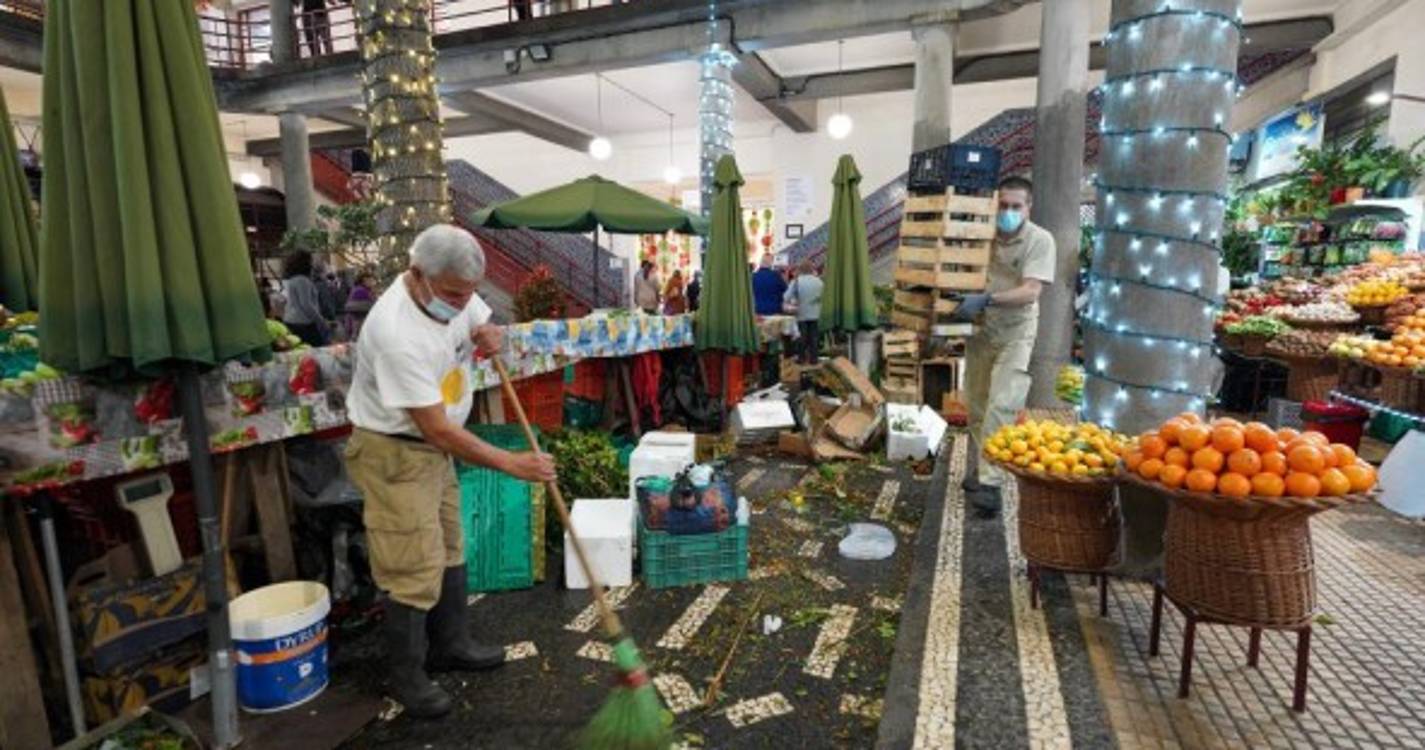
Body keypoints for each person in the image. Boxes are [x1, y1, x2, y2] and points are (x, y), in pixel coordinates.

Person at [344, 225, 557, 718]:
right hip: (397, 453)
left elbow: (483, 321)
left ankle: (450, 643)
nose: (463, 305)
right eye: (454, 295)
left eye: (470, 294)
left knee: (449, 543)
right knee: (411, 565)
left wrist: (492, 332)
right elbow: (436, 429)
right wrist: (510, 463)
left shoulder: (458, 293)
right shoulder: (396, 333)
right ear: (417, 276)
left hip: (431, 451)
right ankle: (406, 675)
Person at [953, 176, 1056, 518]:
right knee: (977, 403)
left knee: (1003, 402)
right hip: (982, 331)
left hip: (1016, 330)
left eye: (1016, 207)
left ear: (1029, 208)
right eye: (1003, 206)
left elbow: (1031, 291)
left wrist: (987, 299)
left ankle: (991, 483)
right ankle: (984, 467)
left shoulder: (1040, 240)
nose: (1009, 212)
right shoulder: (982, 236)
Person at [282, 251, 330, 346]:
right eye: (310, 260)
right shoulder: (303, 281)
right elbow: (307, 305)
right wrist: (322, 321)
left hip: (291, 321)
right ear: (305, 263)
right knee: (316, 350)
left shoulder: (292, 280)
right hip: (303, 324)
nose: (312, 264)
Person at [783, 260, 824, 364]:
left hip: (801, 314)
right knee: (814, 338)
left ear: (800, 270)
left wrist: (794, 300)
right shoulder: (819, 281)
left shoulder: (796, 281)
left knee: (801, 337)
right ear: (812, 269)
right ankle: (814, 359)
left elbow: (786, 297)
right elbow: (823, 298)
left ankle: (801, 358)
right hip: (816, 314)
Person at [344, 271, 377, 340]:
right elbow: (371, 306)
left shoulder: (359, 289)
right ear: (365, 280)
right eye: (371, 280)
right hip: (358, 325)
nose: (373, 282)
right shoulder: (361, 291)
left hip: (355, 325)